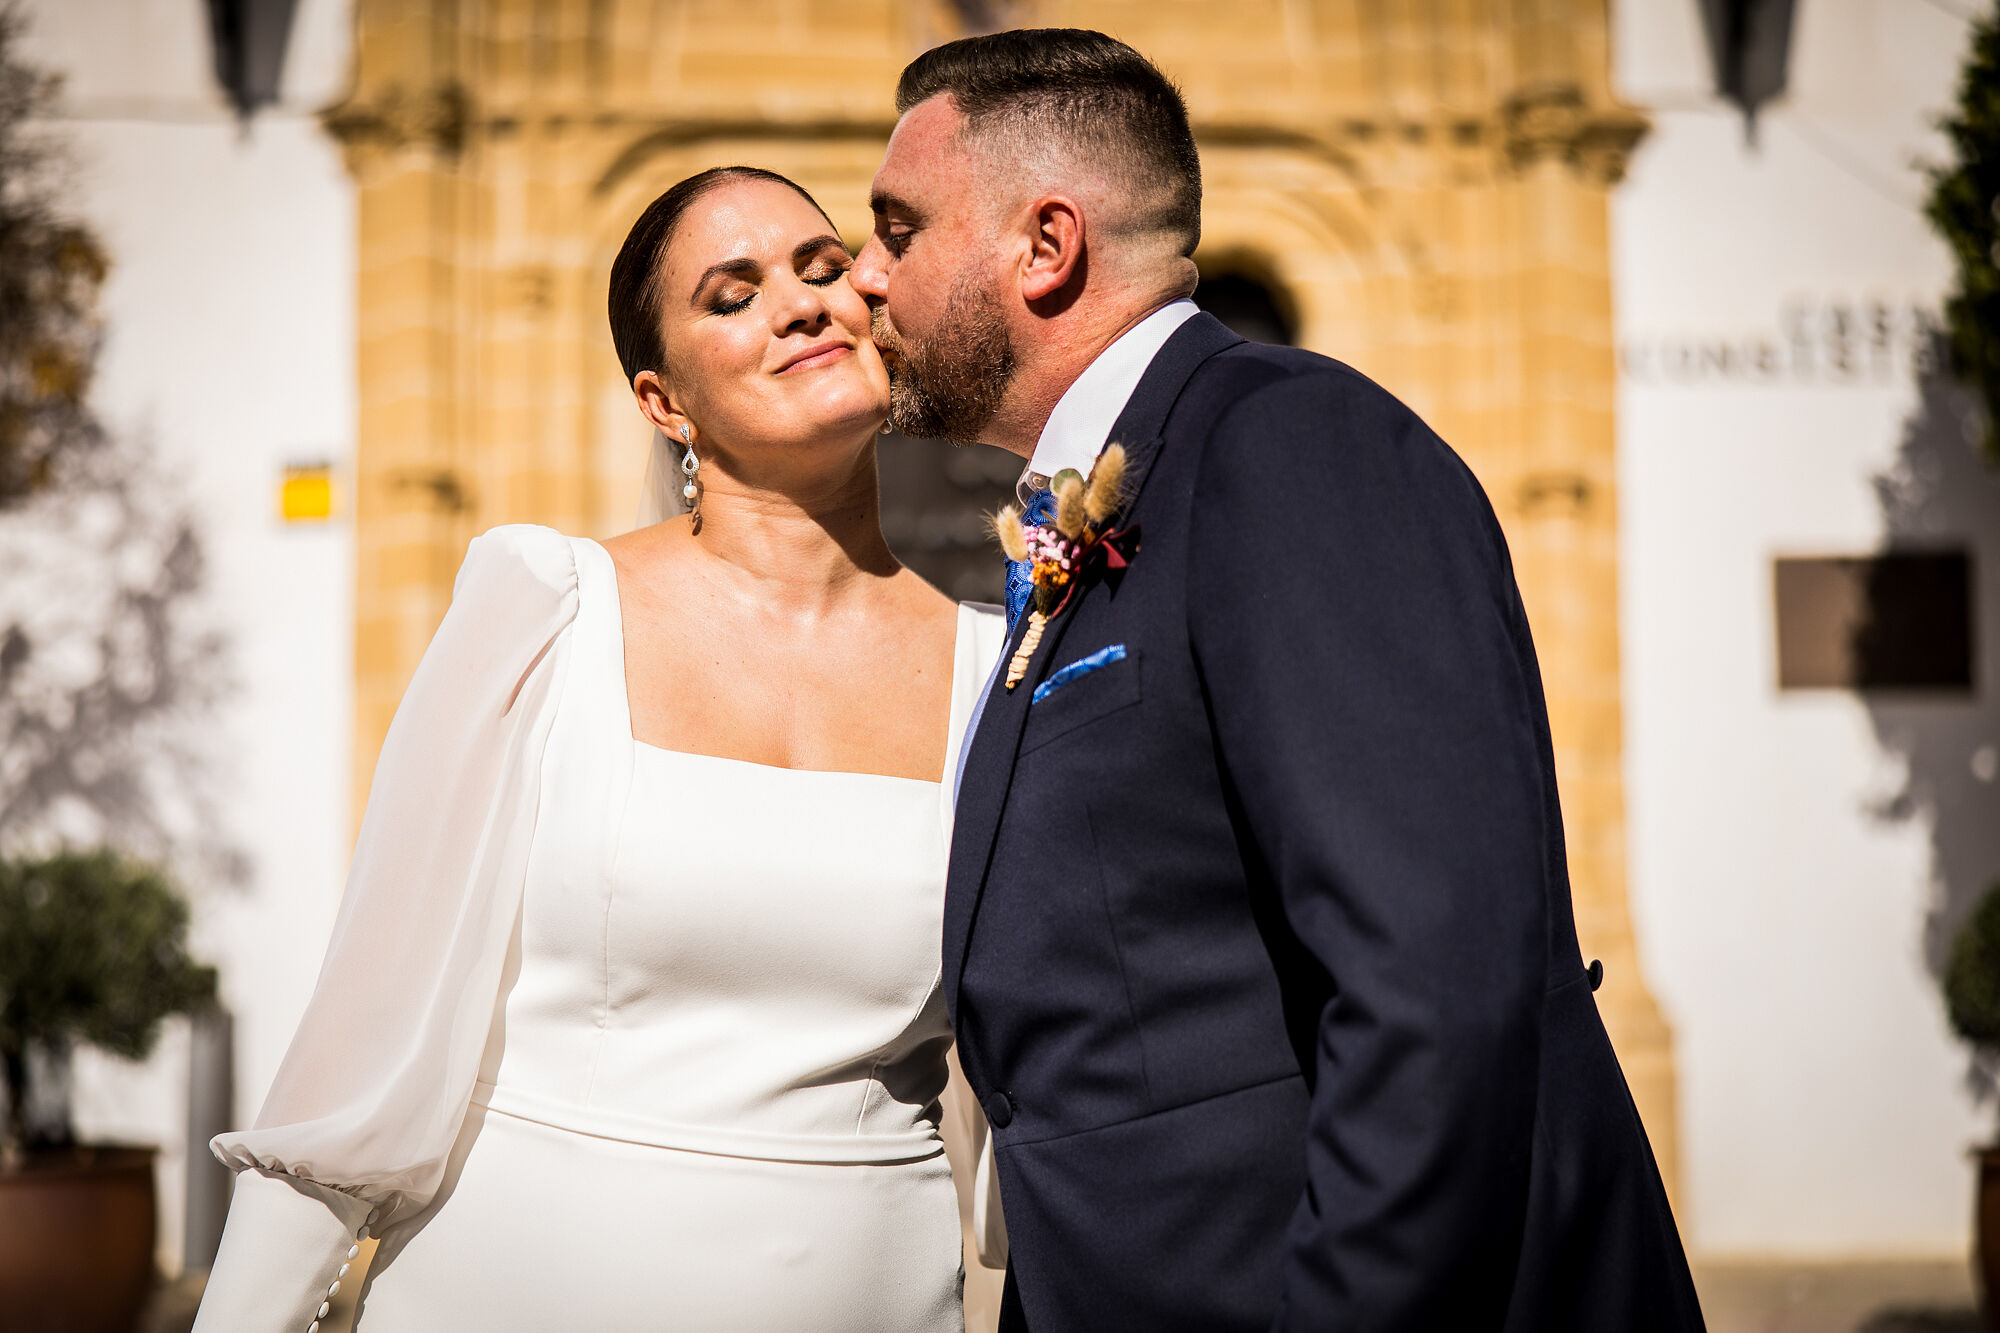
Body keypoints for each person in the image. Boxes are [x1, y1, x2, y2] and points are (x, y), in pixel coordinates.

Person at [851, 28, 1706, 1332]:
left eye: (899, 229)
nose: (865, 278)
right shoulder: (1104, 498)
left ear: (1045, 245)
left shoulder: (1289, 446)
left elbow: (1430, 991)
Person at [191, 166, 1006, 1332]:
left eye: (822, 269)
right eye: (731, 295)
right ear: (663, 401)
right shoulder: (547, 610)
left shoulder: (993, 671)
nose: (798, 304)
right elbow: (365, 1033)